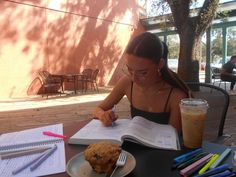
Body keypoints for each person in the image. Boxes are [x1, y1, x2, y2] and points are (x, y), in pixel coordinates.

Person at [93, 32, 189, 134]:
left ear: (160, 64)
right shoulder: (127, 83)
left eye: (143, 72)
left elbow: (174, 138)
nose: (134, 78)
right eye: (130, 70)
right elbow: (98, 109)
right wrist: (103, 115)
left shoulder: (176, 96)